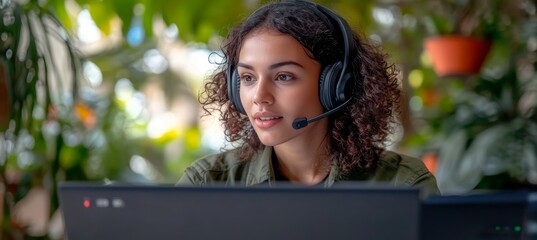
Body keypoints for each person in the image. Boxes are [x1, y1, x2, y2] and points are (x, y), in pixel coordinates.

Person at [178, 0, 440, 196]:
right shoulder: (207, 184)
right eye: (248, 78)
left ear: (337, 85)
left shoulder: (403, 186)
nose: (259, 96)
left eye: (283, 77)